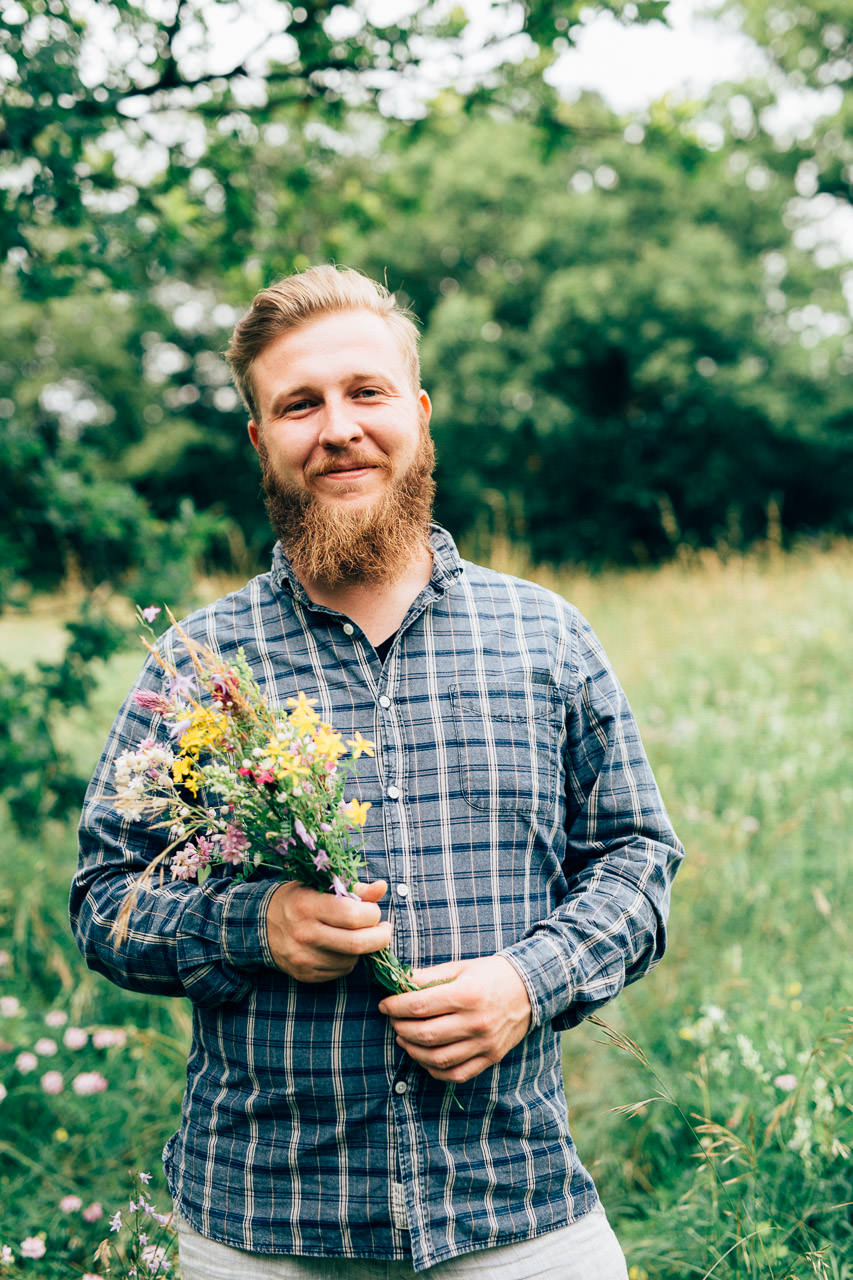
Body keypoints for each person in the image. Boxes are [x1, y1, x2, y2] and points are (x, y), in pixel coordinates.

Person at [72, 264, 684, 1279]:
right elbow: (104, 900)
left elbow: (635, 859)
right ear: (261, 440)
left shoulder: (548, 636)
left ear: (419, 413)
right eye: (299, 403)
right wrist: (252, 925)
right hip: (256, 1227)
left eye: (366, 391)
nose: (338, 426)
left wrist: (525, 981)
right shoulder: (196, 670)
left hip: (518, 1210)